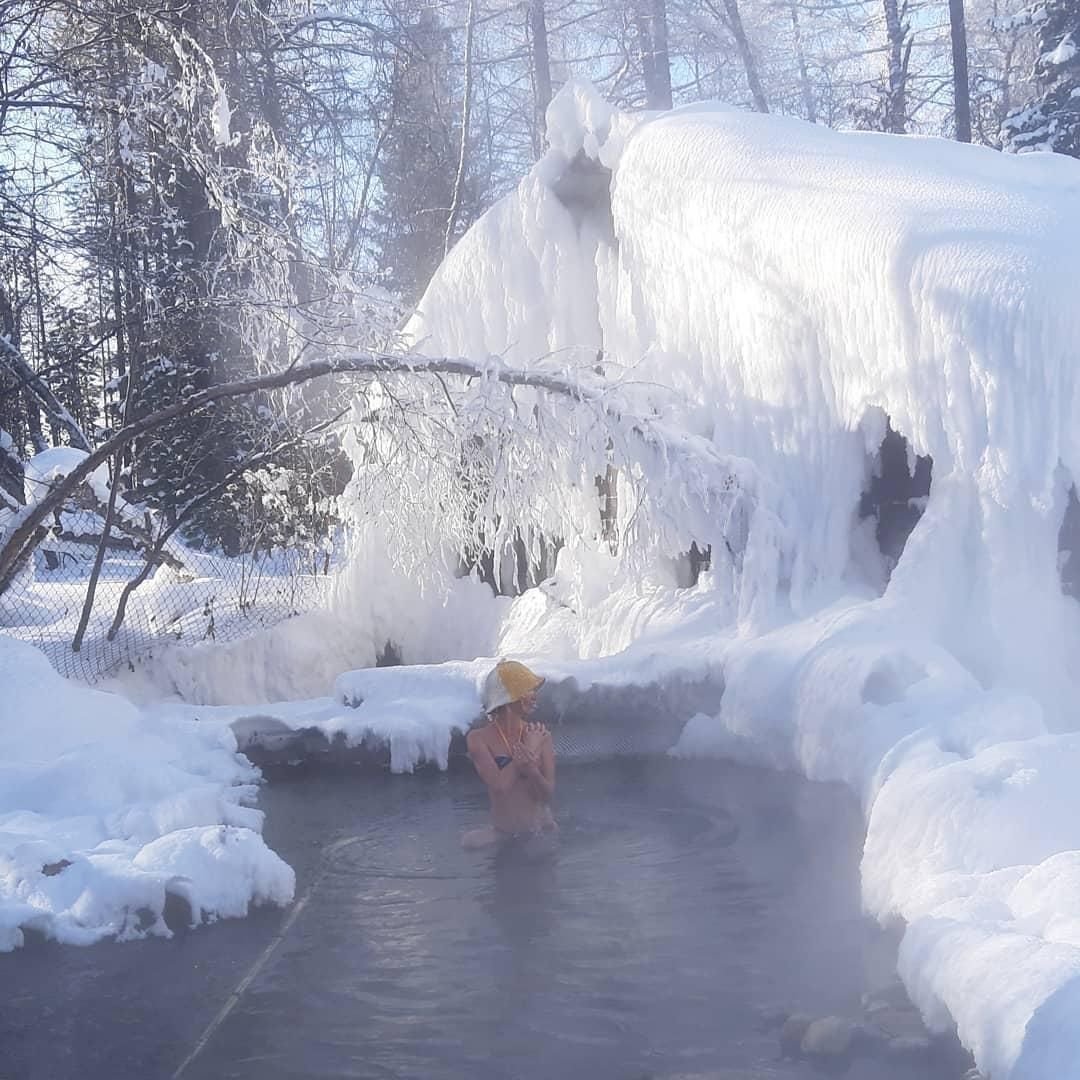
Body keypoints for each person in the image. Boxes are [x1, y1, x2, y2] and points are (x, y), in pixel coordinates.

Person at [462, 660, 556, 849]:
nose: (535, 696)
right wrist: (527, 751)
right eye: (528, 690)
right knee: (468, 843)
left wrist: (532, 771)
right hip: (505, 834)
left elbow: (547, 795)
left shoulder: (540, 735)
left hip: (540, 831)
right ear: (508, 698)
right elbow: (500, 786)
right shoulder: (478, 739)